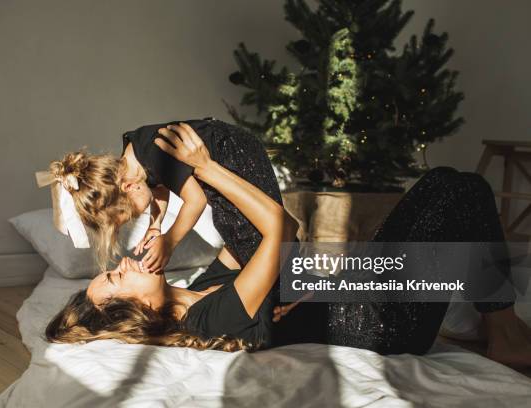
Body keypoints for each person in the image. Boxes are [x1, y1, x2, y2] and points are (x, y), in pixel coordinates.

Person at [46, 124, 531, 367]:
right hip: (385, 319)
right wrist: (204, 165)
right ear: (134, 312)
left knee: (447, 181)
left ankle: (496, 322)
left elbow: (282, 234)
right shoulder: (208, 319)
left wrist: (171, 227)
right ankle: (504, 333)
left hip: (358, 285)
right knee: (460, 191)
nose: (126, 262)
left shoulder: (202, 286)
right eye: (116, 277)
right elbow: (276, 226)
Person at [48, 118, 281, 273]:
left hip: (238, 154)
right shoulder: (133, 161)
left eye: (130, 215)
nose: (135, 217)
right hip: (219, 173)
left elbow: (196, 201)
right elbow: (159, 187)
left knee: (254, 231)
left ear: (128, 188)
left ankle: (298, 286)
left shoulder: (156, 153)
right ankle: (276, 284)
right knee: (232, 230)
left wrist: (169, 242)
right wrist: (155, 224)